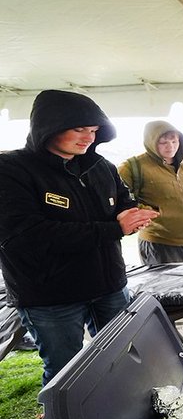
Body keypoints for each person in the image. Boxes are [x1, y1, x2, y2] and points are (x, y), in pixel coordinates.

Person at [0, 90, 158, 384]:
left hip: (109, 286)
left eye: (93, 131)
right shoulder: (11, 170)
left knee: (122, 358)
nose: (88, 137)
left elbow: (122, 201)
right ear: (49, 126)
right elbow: (28, 236)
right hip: (50, 296)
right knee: (65, 372)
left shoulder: (102, 167)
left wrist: (130, 215)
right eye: (79, 129)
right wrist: (115, 229)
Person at [117, 121, 183, 265]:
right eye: (163, 142)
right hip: (160, 242)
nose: (170, 146)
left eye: (174, 141)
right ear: (151, 142)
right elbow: (121, 200)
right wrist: (152, 213)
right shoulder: (132, 167)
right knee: (166, 287)